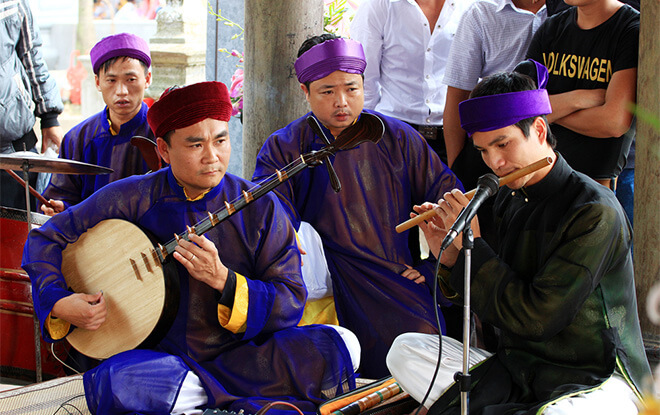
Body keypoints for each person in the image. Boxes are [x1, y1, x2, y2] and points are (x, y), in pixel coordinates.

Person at [23, 81, 359, 414]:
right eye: (195, 144)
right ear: (164, 150)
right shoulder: (132, 196)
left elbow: (290, 301)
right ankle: (207, 394)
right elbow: (45, 237)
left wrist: (225, 281)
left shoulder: (262, 207)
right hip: (161, 359)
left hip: (241, 354)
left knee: (341, 344)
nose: (212, 157)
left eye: (221, 140)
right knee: (120, 380)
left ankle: (198, 395)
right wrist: (59, 300)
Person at [386, 62, 651, 414]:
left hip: (596, 376)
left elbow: (537, 319)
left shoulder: (594, 211)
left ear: (539, 130)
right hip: (519, 368)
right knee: (404, 350)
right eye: (483, 150)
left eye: (503, 143)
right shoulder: (508, 198)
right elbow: (495, 300)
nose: (495, 162)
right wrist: (451, 257)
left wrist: (477, 249)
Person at [252, 34, 462, 379]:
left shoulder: (398, 138)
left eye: (352, 89)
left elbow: (453, 202)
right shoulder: (285, 147)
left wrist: (430, 271)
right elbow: (268, 220)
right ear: (305, 92)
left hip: (392, 274)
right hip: (325, 279)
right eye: (327, 92)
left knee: (426, 348)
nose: (342, 102)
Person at [526, 0, 639, 192]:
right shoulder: (551, 28)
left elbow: (614, 122)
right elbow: (523, 109)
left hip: (597, 187)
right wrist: (577, 99)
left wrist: (545, 110)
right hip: (541, 176)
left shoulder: (631, 29)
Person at [41, 33, 155, 216]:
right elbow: (63, 195)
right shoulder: (77, 138)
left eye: (131, 79)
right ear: (97, 82)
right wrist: (62, 209)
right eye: (111, 80)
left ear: (147, 79)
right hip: (90, 237)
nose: (121, 91)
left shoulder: (163, 134)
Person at [350, 0, 475, 164]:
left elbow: (476, 75)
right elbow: (364, 82)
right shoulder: (379, 5)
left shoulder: (470, 6)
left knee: (454, 189)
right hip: (394, 132)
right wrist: (366, 139)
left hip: (453, 134)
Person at [0, 0, 64, 211]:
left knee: (18, 232)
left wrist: (49, 117)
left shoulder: (12, 2)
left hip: (14, 145)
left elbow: (31, 55)